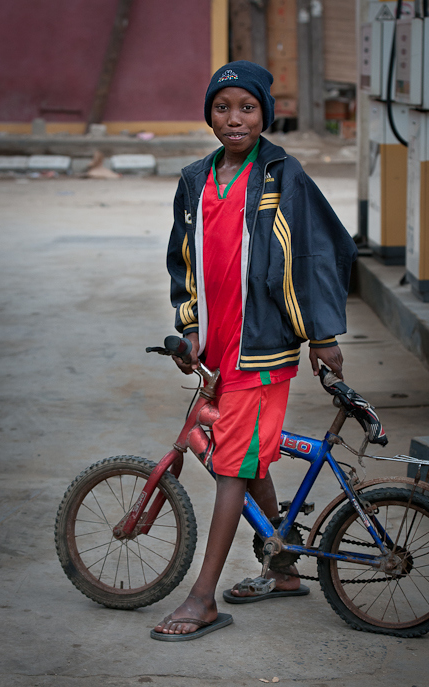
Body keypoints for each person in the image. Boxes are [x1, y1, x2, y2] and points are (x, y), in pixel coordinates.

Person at [152, 61, 357, 640]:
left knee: (230, 470)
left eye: (246, 107)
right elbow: (183, 262)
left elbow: (316, 255)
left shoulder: (281, 175)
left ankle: (202, 598)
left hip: (262, 352)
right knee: (249, 457)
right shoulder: (196, 178)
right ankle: (285, 567)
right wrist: (190, 327)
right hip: (218, 350)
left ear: (265, 112)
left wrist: (323, 336)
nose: (234, 118)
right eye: (222, 107)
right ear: (208, 114)